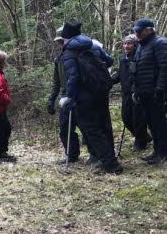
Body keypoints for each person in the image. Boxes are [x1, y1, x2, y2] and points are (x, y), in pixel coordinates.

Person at [58, 22, 122, 173]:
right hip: (101, 92)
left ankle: (110, 164)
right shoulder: (92, 46)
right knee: (104, 126)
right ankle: (108, 158)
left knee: (91, 129)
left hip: (84, 97)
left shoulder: (69, 53)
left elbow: (73, 78)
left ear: (65, 37)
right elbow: (110, 61)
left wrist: (69, 98)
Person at [132, 18, 167, 164]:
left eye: (139, 31)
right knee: (151, 122)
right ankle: (157, 151)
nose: (137, 34)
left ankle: (163, 153)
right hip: (144, 91)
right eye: (136, 31)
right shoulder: (142, 46)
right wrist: (136, 89)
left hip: (156, 92)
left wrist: (160, 89)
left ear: (149, 30)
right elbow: (137, 68)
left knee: (159, 123)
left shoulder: (160, 43)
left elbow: (165, 67)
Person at [111, 34, 152, 151]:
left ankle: (140, 142)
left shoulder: (139, 57)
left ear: (135, 45)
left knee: (138, 119)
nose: (126, 46)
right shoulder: (123, 59)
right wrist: (109, 82)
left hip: (137, 92)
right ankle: (145, 137)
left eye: (129, 43)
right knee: (126, 118)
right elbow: (119, 74)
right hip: (125, 93)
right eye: (124, 43)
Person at [48, 26, 81, 163]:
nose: (60, 44)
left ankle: (96, 155)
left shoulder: (81, 54)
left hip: (81, 96)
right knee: (65, 129)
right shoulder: (59, 59)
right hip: (65, 96)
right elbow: (56, 82)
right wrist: (51, 99)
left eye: (62, 40)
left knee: (87, 128)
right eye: (59, 41)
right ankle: (72, 155)